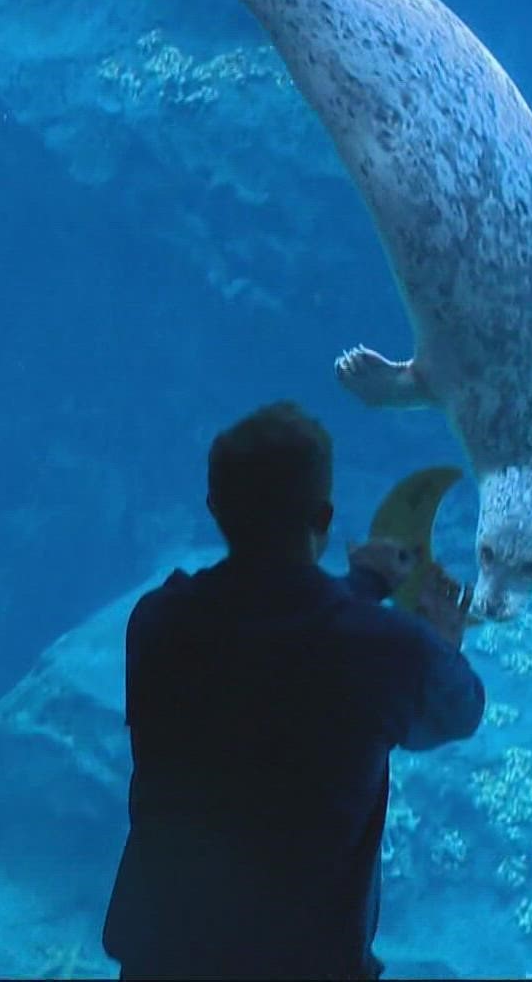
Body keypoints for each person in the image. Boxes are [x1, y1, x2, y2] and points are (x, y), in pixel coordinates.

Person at [101, 401, 487, 980]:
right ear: (324, 517)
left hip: (164, 953)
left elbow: (267, 640)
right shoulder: (387, 651)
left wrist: (361, 586)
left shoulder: (158, 623)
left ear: (215, 508)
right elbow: (461, 709)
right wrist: (436, 641)